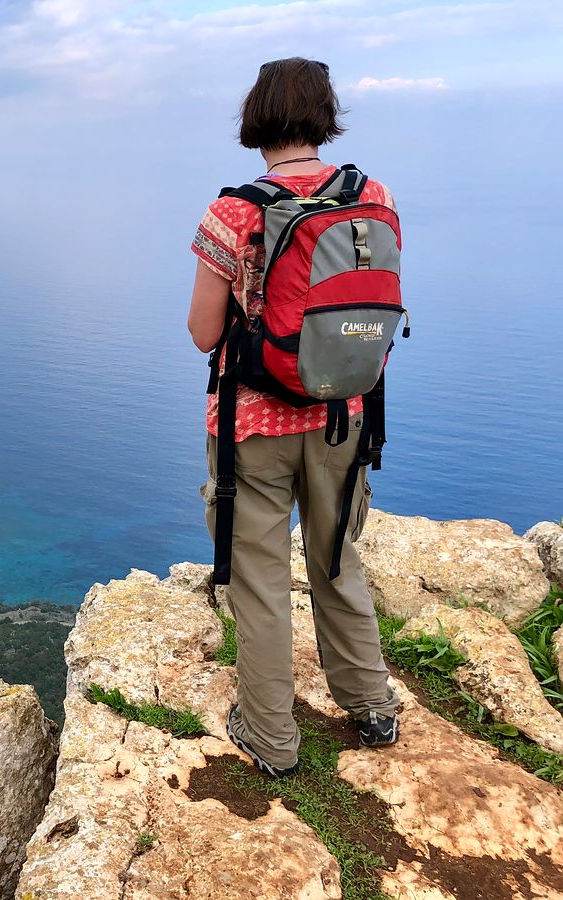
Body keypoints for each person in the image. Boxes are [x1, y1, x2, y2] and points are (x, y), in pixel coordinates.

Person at [187, 57, 400, 777]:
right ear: (325, 112)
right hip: (344, 416)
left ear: (256, 117)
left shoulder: (234, 211)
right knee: (337, 559)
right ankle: (372, 706)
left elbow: (203, 332)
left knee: (260, 579)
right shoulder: (373, 195)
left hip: (253, 428)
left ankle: (272, 740)